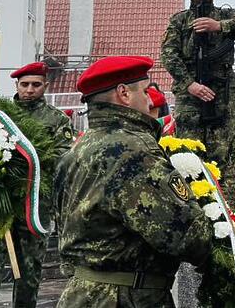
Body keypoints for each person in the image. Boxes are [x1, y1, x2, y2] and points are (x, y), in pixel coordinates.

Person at [54, 56, 214, 307]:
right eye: (146, 90)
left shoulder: (78, 149)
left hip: (82, 294)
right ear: (124, 93)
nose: (150, 99)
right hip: (126, 297)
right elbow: (187, 237)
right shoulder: (133, 150)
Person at [0, 62, 75, 308]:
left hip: (34, 202)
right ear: (16, 85)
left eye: (36, 85)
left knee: (30, 263)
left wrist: (26, 162)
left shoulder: (56, 120)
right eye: (25, 85)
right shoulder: (0, 113)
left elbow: (64, 156)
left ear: (46, 85)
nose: (30, 90)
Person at [161, 0, 235, 165]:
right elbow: (169, 55)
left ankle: (217, 194)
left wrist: (220, 26)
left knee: (219, 158)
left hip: (221, 95)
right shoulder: (179, 21)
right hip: (190, 97)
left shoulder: (225, 15)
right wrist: (190, 84)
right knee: (189, 158)